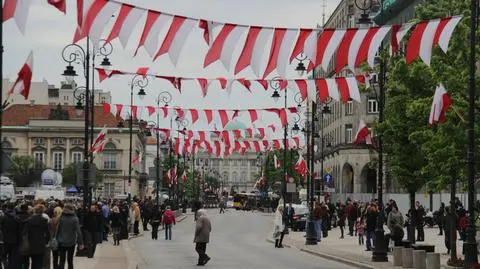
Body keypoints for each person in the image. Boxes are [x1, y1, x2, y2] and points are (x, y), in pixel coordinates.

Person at [56, 204, 83, 269]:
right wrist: (80, 243)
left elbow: (57, 230)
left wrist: (56, 239)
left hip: (61, 241)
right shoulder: (75, 219)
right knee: (70, 260)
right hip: (71, 242)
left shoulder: (60, 218)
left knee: (62, 260)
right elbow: (78, 232)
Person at [23, 204, 50, 269]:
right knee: (39, 263)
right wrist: (46, 242)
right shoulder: (44, 220)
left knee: (32, 261)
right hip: (40, 244)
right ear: (42, 211)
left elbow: (24, 232)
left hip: (31, 243)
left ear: (35, 210)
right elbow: (47, 233)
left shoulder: (29, 220)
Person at [2, 203, 21, 269]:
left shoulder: (3, 218)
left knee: (4, 256)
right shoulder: (17, 219)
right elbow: (19, 231)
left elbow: (2, 229)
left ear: (7, 208)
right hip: (14, 241)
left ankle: (6, 267)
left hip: (5, 240)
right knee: (13, 257)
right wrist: (19, 241)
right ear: (13, 209)